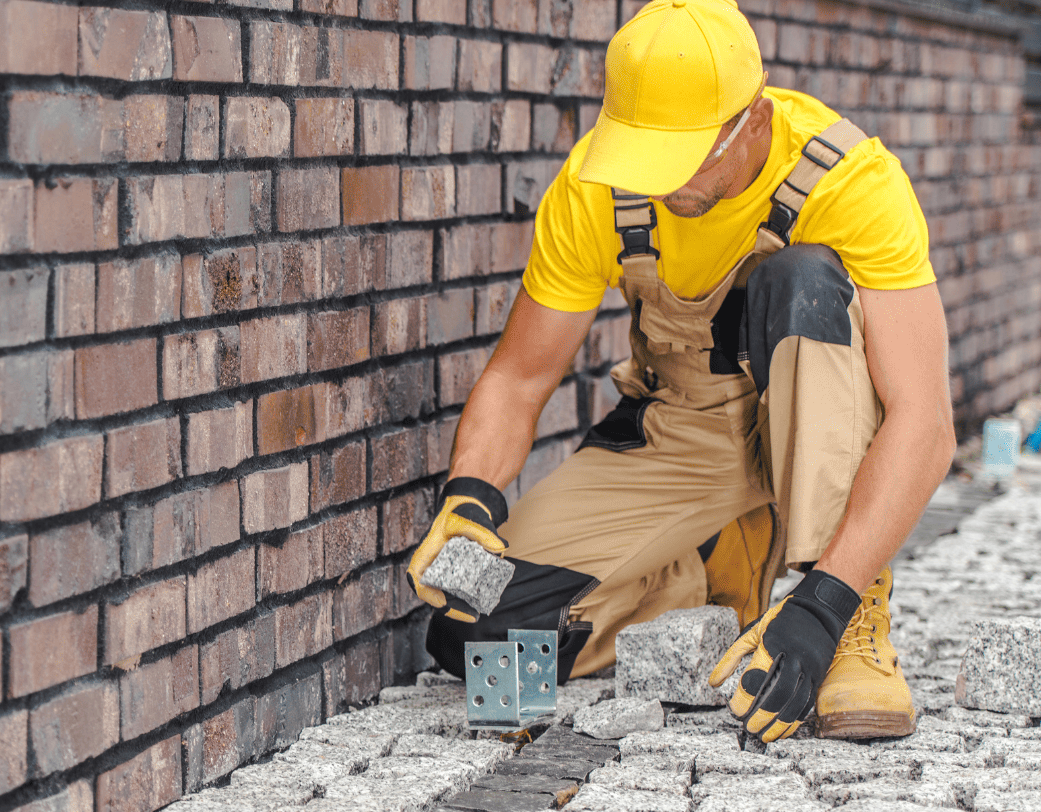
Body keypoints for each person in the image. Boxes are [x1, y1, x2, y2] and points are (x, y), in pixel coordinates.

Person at [408, 0, 956, 742]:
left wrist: (823, 605)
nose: (660, 182)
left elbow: (924, 420)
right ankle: (711, 579)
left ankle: (851, 615)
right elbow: (520, 377)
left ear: (754, 120)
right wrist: (470, 499)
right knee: (475, 631)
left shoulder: (847, 178)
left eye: (683, 154)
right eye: (643, 151)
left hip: (818, 420)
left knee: (802, 278)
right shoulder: (594, 189)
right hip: (681, 435)